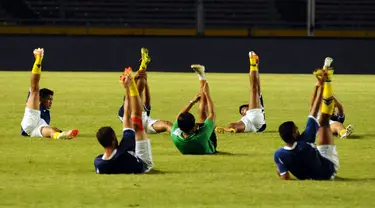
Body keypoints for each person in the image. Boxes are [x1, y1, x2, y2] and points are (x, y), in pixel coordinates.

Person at [274, 57, 339, 180]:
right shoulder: (306, 139)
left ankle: (327, 76)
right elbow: (313, 111)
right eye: (296, 129)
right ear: (294, 134)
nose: (298, 129)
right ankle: (328, 79)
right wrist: (322, 84)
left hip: (309, 174)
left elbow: (285, 178)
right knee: (324, 121)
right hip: (328, 171)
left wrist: (317, 87)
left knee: (280, 168)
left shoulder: (279, 154)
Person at [94, 68, 154, 174]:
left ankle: (137, 86)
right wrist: (129, 87)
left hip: (126, 161)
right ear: (113, 139)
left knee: (135, 121)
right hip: (143, 165)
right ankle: (137, 86)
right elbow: (129, 114)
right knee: (136, 123)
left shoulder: (99, 163)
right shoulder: (124, 149)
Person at [20, 48, 79, 139]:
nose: (51, 102)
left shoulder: (47, 113)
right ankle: (38, 58)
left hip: (37, 129)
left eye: (51, 99)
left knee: (53, 130)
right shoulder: (37, 104)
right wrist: (38, 59)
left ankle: (59, 135)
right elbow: (34, 84)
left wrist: (60, 132)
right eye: (49, 99)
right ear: (40, 99)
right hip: (30, 121)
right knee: (35, 89)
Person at [118, 48, 172, 134]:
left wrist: (145, 82)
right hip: (129, 117)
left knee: (167, 124)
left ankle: (180, 135)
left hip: (144, 121)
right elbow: (142, 97)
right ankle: (143, 65)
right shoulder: (133, 105)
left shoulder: (144, 109)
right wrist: (140, 80)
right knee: (137, 93)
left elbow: (147, 101)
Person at [170, 64, 217, 154]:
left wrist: (192, 101)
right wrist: (207, 95)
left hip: (191, 142)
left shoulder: (174, 134)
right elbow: (212, 114)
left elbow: (179, 116)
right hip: (208, 145)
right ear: (194, 128)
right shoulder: (202, 136)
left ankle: (201, 76)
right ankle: (202, 76)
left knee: (203, 115)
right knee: (203, 116)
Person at [215, 51, 266, 133]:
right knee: (232, 125)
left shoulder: (257, 103)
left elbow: (256, 83)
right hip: (254, 124)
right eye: (242, 111)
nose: (242, 111)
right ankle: (230, 130)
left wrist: (256, 66)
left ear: (249, 106)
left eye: (243, 109)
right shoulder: (244, 117)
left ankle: (252, 63)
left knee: (253, 88)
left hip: (255, 116)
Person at [310, 59, 354, 139]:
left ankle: (344, 133)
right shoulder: (317, 113)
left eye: (333, 106)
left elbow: (340, 107)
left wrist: (330, 96)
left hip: (327, 128)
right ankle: (326, 75)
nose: (333, 108)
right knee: (329, 120)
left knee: (337, 125)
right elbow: (313, 103)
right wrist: (316, 88)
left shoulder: (336, 118)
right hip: (319, 128)